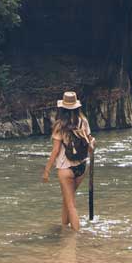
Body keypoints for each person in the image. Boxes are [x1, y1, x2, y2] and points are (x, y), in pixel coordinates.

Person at [41, 91, 94, 230]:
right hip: (82, 167)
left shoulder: (60, 126)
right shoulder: (83, 121)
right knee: (67, 199)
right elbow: (90, 142)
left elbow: (56, 151)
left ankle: (75, 239)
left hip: (66, 169)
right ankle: (64, 229)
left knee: (71, 205)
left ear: (62, 108)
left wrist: (46, 170)